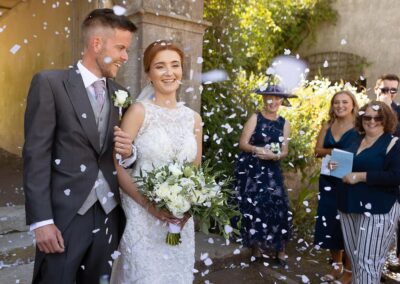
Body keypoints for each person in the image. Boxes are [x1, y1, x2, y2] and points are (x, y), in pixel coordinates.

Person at [23, 9, 137, 283]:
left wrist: (130, 154)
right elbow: (36, 155)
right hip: (65, 217)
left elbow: (117, 156)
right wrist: (42, 221)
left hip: (109, 214)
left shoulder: (121, 93)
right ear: (96, 44)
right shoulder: (50, 83)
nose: (125, 56)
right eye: (121, 48)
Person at [110, 40, 203, 283]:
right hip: (141, 219)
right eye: (160, 66)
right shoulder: (139, 112)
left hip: (179, 221)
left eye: (175, 65)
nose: (169, 72)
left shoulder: (194, 119)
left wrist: (188, 207)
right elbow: (116, 165)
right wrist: (149, 205)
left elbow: (196, 170)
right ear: (149, 73)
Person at [337, 100, 400, 283]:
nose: (372, 121)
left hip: (378, 211)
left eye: (378, 118)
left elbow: (396, 176)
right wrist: (333, 167)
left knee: (368, 263)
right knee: (356, 260)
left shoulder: (394, 144)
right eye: (367, 117)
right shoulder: (353, 138)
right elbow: (337, 167)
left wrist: (361, 176)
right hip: (347, 206)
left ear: (386, 119)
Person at [234, 85, 294, 267]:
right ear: (263, 99)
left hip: (272, 170)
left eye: (277, 99)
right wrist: (257, 149)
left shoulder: (285, 123)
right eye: (270, 98)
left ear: (282, 101)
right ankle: (257, 248)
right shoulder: (255, 118)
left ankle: (280, 251)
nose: (273, 102)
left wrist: (275, 155)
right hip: (252, 169)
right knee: (254, 205)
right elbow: (243, 143)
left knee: (277, 204)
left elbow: (285, 151)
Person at [313, 90, 359, 283]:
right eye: (336, 102)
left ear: (353, 105)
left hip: (350, 182)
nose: (340, 106)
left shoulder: (360, 126)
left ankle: (349, 272)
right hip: (329, 180)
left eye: (344, 102)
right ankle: (336, 266)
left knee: (348, 226)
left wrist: (333, 155)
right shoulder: (327, 125)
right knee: (330, 223)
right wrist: (334, 151)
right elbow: (317, 151)